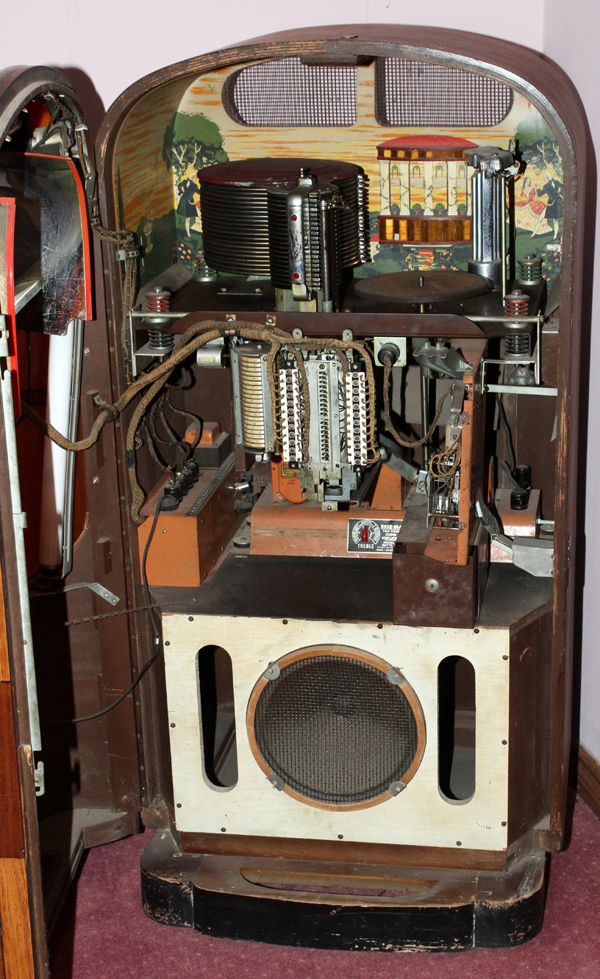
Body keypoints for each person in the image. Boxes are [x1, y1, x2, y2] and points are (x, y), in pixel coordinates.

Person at [531, 171, 563, 240]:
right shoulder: (556, 182)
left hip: (552, 203)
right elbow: (564, 186)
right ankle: (554, 237)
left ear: (547, 178)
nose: (543, 179)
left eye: (544, 178)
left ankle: (533, 234)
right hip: (558, 202)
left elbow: (539, 194)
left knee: (540, 219)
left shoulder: (546, 186)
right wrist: (561, 193)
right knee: (556, 221)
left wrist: (538, 187)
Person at [177, 166, 200, 237]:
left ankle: (189, 233)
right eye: (195, 177)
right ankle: (188, 234)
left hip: (186, 201)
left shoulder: (187, 182)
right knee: (190, 218)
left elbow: (200, 192)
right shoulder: (193, 185)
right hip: (187, 202)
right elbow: (178, 185)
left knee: (190, 218)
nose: (196, 178)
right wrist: (180, 192)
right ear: (193, 177)